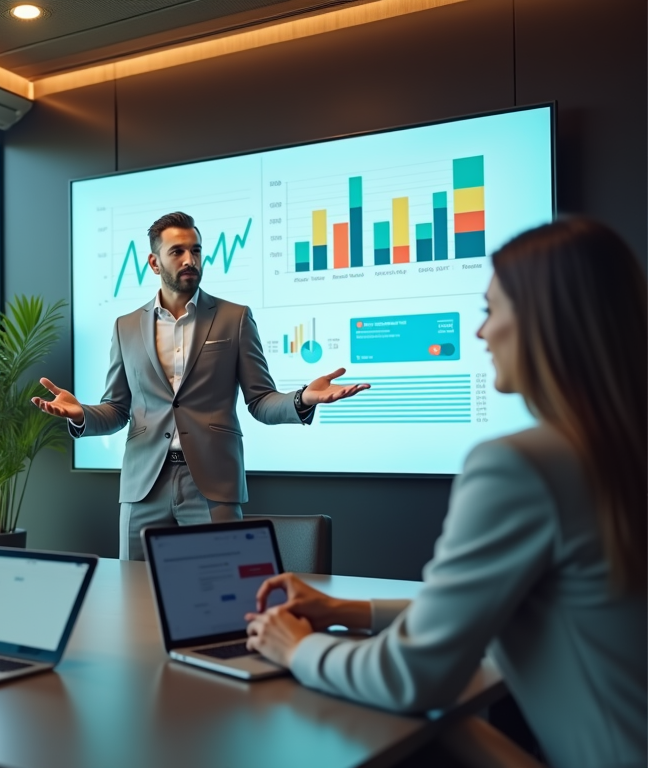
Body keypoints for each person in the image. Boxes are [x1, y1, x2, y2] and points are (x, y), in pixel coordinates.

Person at [245, 218, 647, 768]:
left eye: (489, 311)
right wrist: (346, 610)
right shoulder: (619, 450)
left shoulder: (522, 465)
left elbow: (413, 676)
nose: (480, 334)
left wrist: (296, 648)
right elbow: (494, 611)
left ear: (541, 322)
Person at [34, 211, 369, 559]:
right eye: (177, 252)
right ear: (153, 262)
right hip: (143, 485)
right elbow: (118, 409)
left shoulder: (234, 318)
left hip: (211, 485)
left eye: (195, 250)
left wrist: (302, 398)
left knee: (222, 592)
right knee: (132, 594)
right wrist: (80, 414)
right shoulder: (126, 327)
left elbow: (261, 400)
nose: (189, 260)